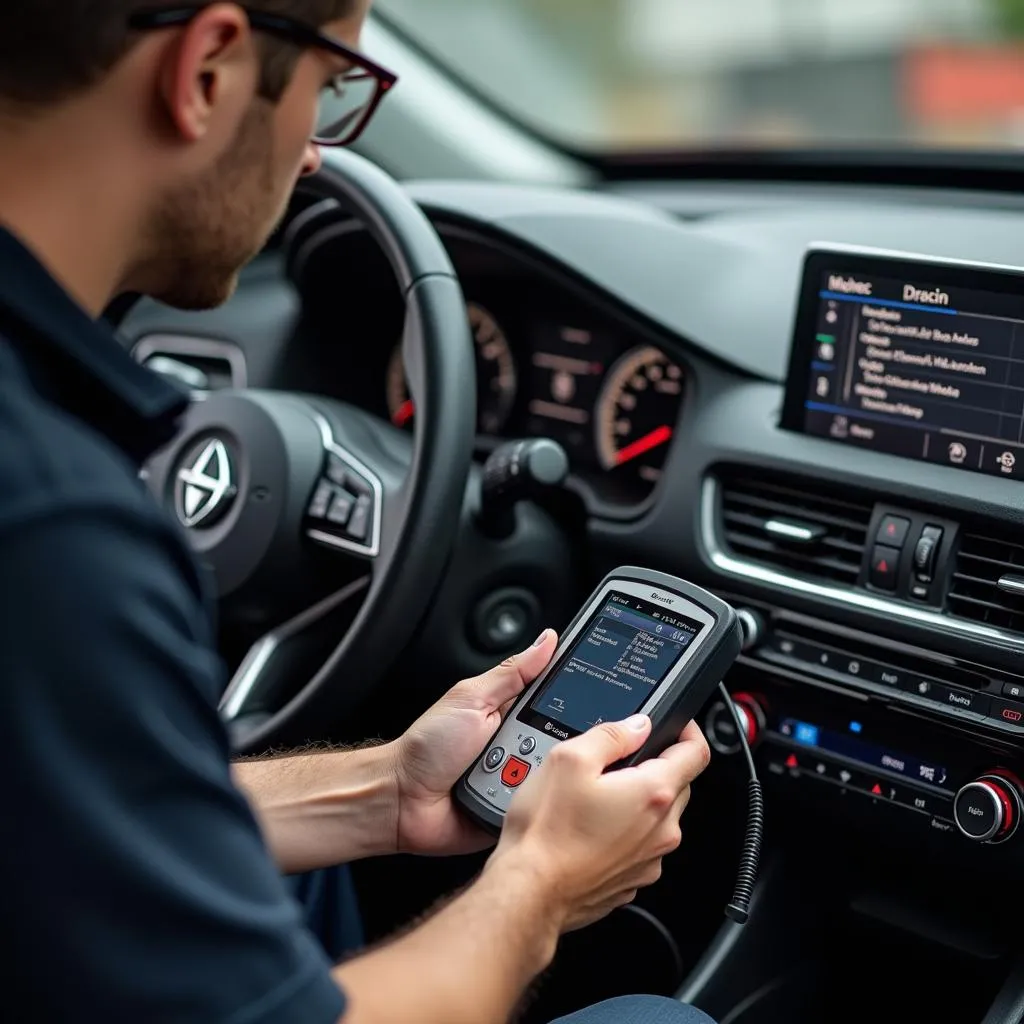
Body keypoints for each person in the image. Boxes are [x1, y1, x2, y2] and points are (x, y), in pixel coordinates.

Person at [0, 2, 717, 1022]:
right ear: (207, 69)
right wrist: (541, 882)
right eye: (332, 88)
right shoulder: (55, 530)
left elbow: (67, 813)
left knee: (312, 874)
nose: (314, 157)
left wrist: (383, 795)